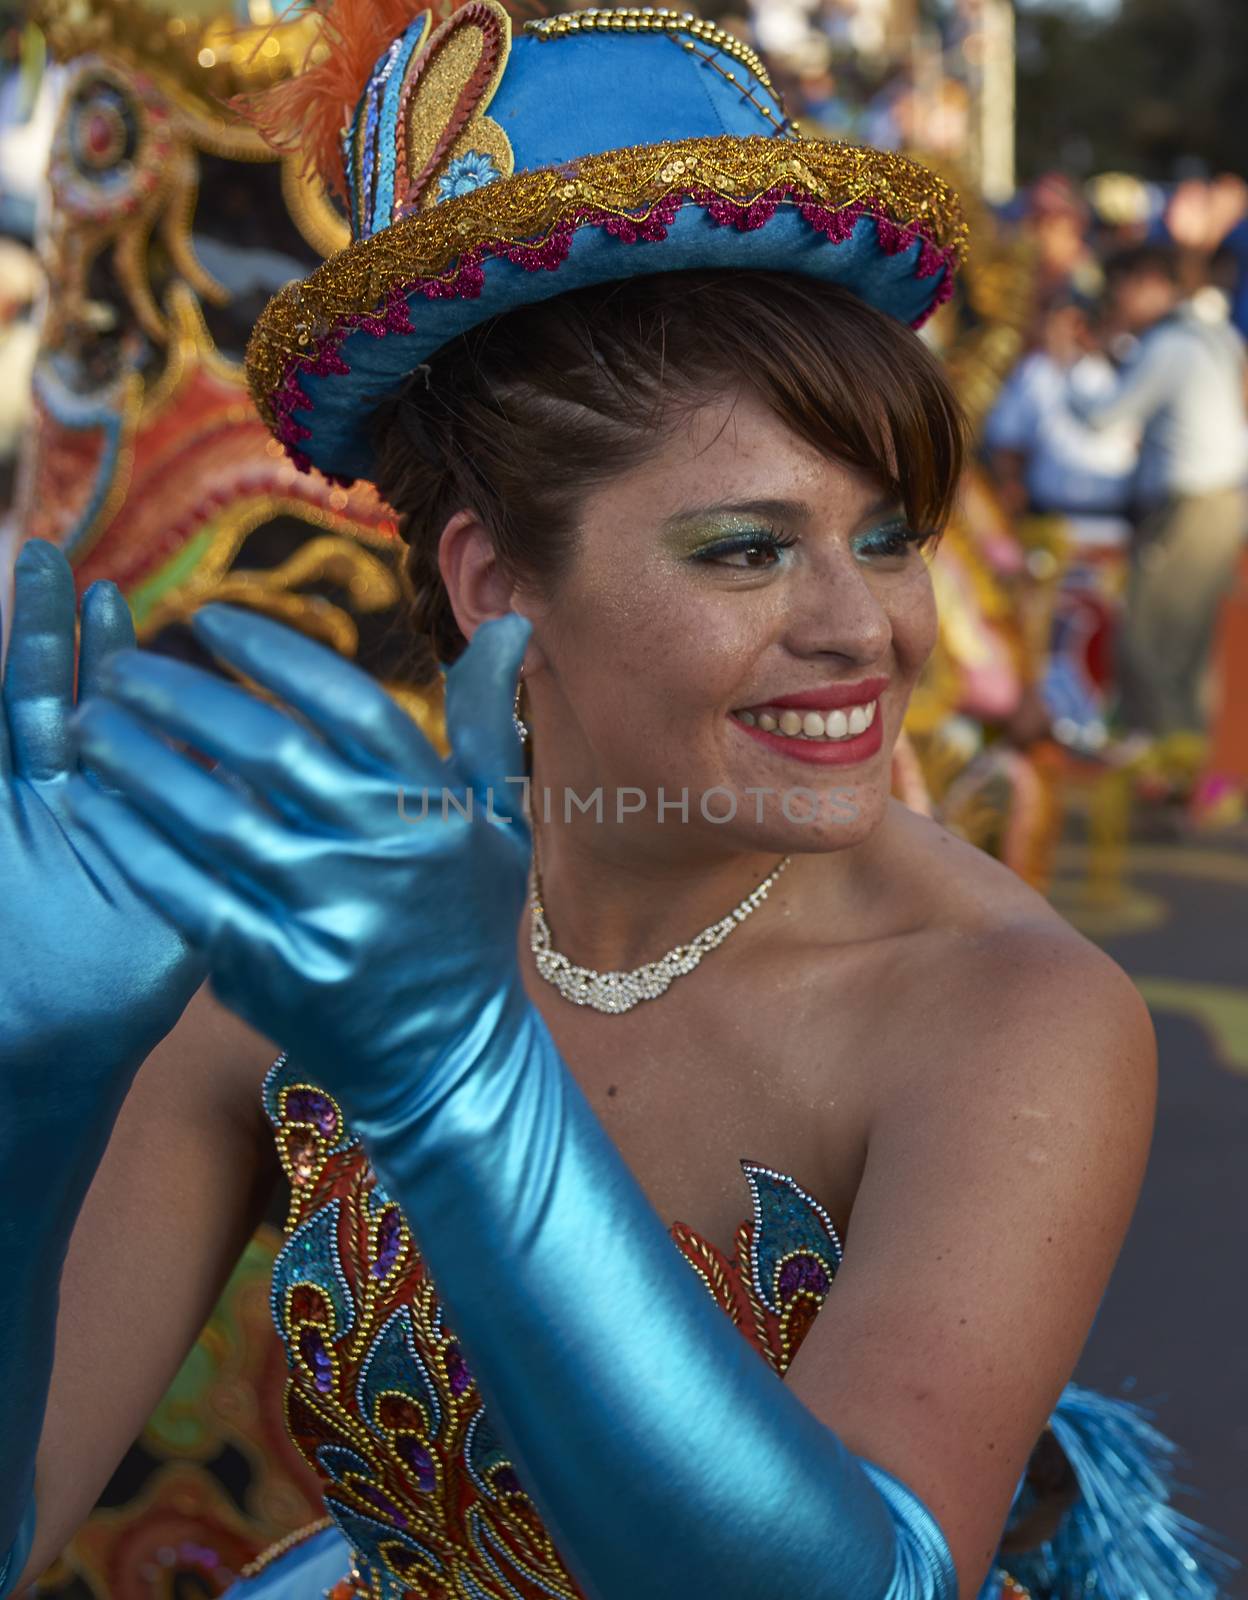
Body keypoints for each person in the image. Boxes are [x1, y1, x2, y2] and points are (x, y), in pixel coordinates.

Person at [0, 5, 1229, 1599]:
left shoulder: (1008, 1009)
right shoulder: (304, 941)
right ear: (497, 582)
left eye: (887, 533)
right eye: (745, 548)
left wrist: (463, 1090)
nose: (868, 629)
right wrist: (35, 1082)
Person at [1070, 243, 1248, 745]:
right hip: (1219, 505)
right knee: (1189, 653)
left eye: (1120, 288)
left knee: (1146, 646)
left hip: (1189, 510)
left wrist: (1068, 368)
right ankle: (1191, 783)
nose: (1115, 301)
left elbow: (1103, 416)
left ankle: (1164, 780)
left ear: (1149, 282)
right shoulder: (1214, 335)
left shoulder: (1168, 345)